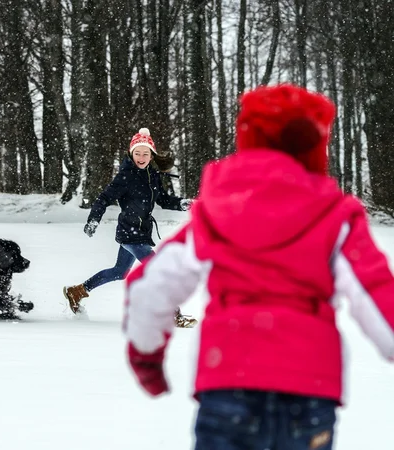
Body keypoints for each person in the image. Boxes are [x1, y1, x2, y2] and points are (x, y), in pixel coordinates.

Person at [122, 84, 394, 450]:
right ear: (314, 146)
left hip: (228, 381)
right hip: (307, 389)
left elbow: (150, 288)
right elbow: (377, 297)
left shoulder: (215, 213)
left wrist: (147, 358)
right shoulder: (334, 216)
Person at [63, 127, 197, 328]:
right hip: (129, 232)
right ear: (131, 153)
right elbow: (103, 198)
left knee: (119, 272)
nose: (141, 157)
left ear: (151, 155)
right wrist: (93, 220)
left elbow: (162, 199)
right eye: (137, 153)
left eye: (145, 153)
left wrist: (182, 203)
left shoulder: (152, 176)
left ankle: (77, 291)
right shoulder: (125, 176)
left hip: (141, 233)